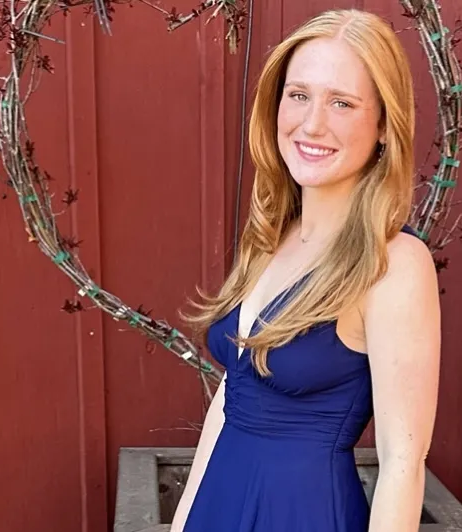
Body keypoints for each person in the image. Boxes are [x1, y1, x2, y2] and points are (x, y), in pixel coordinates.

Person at [171, 8, 441, 532]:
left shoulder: (394, 266)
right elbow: (233, 396)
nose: (312, 123)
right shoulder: (276, 235)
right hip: (219, 505)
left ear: (384, 126)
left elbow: (403, 465)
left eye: (342, 103)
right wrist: (183, 522)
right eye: (299, 95)